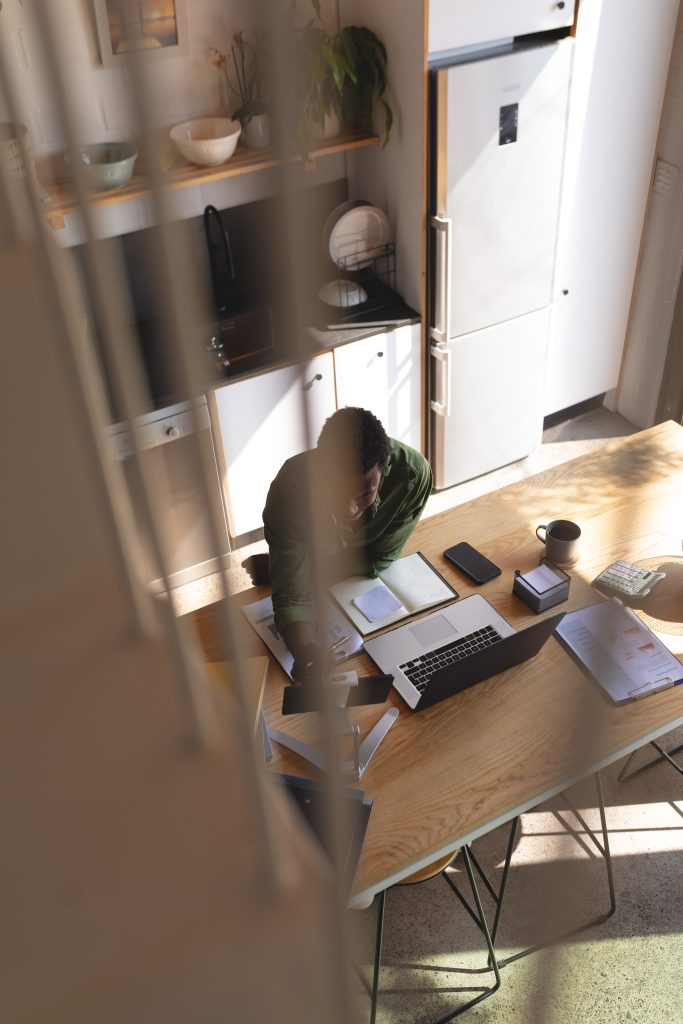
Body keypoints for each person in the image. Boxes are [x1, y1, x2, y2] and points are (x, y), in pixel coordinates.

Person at [258, 407, 432, 681]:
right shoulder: (290, 490)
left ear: (384, 467)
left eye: (364, 494)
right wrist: (305, 651)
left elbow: (380, 559)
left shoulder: (412, 477)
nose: (349, 509)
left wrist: (305, 565)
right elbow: (292, 596)